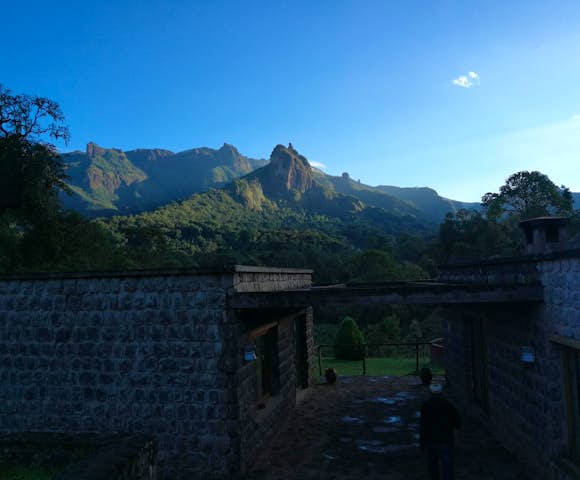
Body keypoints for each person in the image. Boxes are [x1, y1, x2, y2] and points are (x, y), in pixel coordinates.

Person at [419, 383, 462, 480]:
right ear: (441, 393)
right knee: (447, 466)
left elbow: (423, 426)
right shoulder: (448, 405)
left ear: (430, 393)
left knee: (433, 466)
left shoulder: (426, 407)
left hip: (431, 440)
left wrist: (422, 443)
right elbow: (458, 422)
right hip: (446, 440)